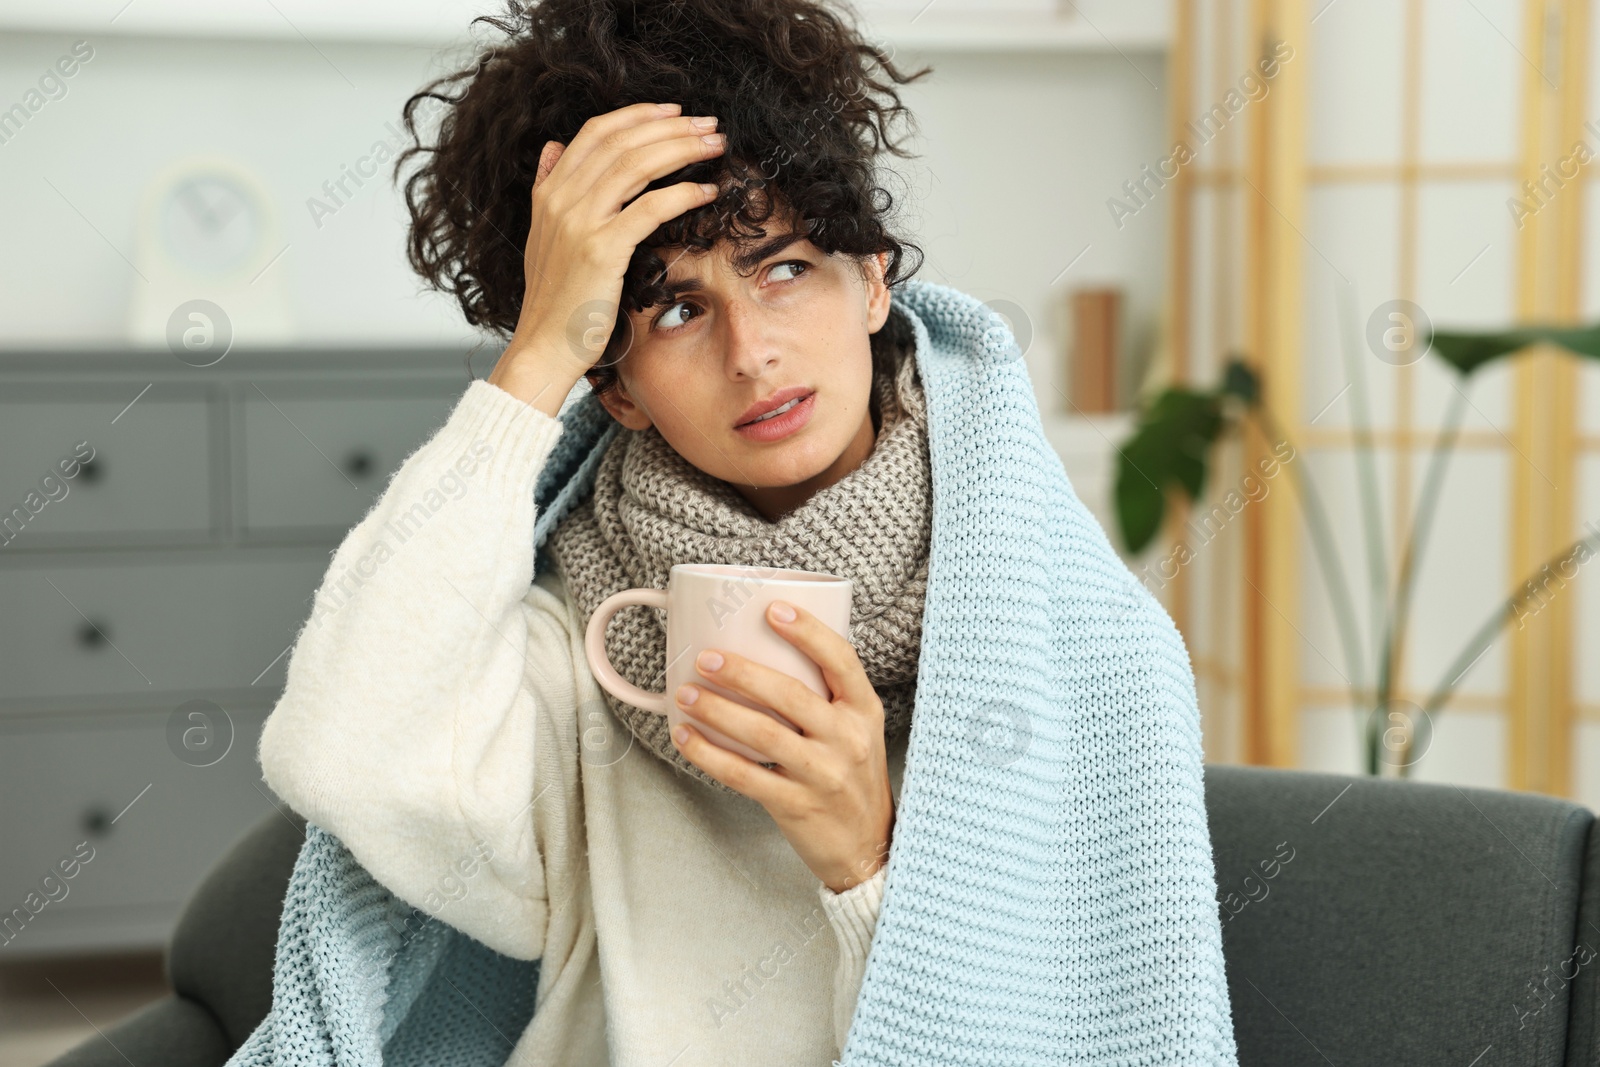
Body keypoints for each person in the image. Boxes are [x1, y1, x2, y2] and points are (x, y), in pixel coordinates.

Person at [256, 0, 939, 1062]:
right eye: (674, 310)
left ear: (872, 280)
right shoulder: (588, 640)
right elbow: (344, 751)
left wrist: (866, 861)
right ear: (612, 391)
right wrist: (534, 358)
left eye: (785, 267)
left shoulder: (1033, 618)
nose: (751, 352)